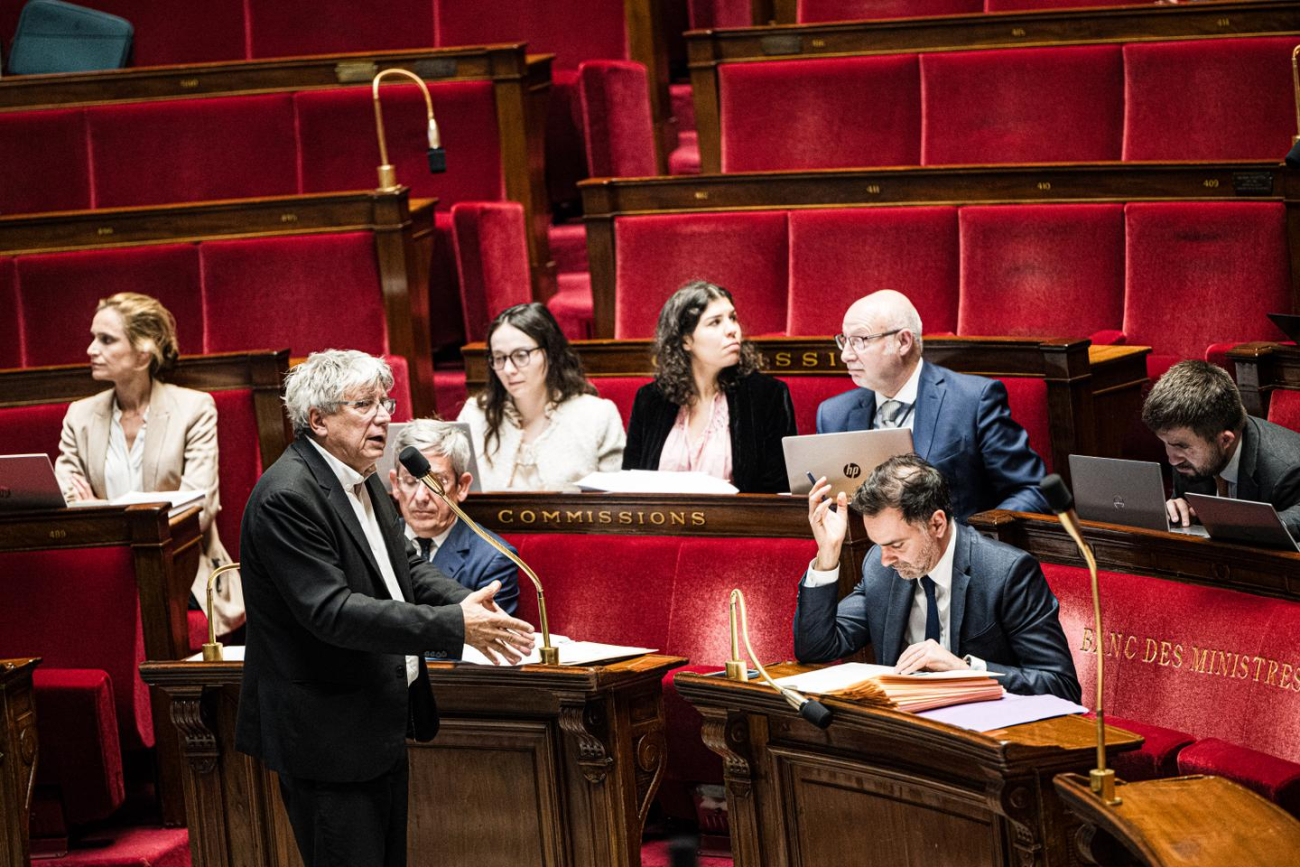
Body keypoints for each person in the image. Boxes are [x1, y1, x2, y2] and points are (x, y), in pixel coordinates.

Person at [236, 350, 535, 867]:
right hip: (327, 735)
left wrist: (465, 600)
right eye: (365, 404)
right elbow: (333, 612)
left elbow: (403, 570)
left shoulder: (365, 476)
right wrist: (454, 626)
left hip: (375, 722)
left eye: (385, 401)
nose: (383, 417)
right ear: (319, 420)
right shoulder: (287, 496)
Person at [794, 454, 1080, 702]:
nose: (885, 559)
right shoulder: (881, 569)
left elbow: (1061, 686)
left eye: (896, 545)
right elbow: (818, 647)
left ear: (937, 524)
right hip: (909, 731)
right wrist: (828, 554)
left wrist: (965, 670)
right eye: (878, 545)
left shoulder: (1006, 573)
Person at [54, 292, 243, 635]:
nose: (91, 349)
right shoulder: (79, 415)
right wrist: (144, 512)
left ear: (143, 353)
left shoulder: (194, 408)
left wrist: (103, 509)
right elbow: (65, 498)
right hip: (103, 570)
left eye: (106, 340)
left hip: (178, 568)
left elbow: (198, 508)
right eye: (93, 337)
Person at [816, 289, 1048, 522]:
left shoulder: (973, 401)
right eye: (844, 341)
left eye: (859, 341)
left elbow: (1030, 490)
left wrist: (976, 544)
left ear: (903, 342)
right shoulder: (833, 414)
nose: (845, 355)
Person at [622, 280, 797, 492]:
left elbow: (778, 491)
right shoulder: (650, 399)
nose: (732, 329)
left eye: (732, 318)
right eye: (715, 322)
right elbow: (631, 485)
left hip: (740, 523)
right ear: (686, 340)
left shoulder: (767, 395)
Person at [458, 302, 625, 491]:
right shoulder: (474, 415)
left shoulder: (597, 415)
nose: (508, 369)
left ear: (550, 354)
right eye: (499, 358)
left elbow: (613, 507)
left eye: (521, 356)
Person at [1142, 359, 1300, 534]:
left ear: (1225, 440)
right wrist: (1178, 512)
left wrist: (1245, 526)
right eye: (1166, 444)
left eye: (1181, 446)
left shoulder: (1286, 470)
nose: (1172, 459)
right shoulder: (1185, 454)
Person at [389, 419, 520, 616]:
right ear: (395, 485)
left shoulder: (493, 559)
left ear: (462, 486)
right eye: (410, 481)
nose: (421, 497)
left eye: (437, 482)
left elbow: (492, 637)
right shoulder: (376, 540)